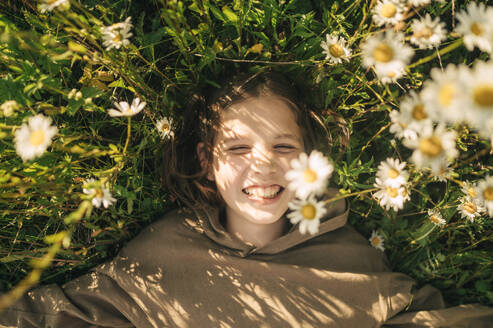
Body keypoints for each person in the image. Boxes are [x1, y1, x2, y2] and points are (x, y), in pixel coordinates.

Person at [1, 71, 493, 327]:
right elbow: (72, 316)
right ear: (207, 160)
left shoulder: (352, 259)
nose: (262, 166)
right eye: (237, 148)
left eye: (283, 146)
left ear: (308, 159)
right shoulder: (163, 251)